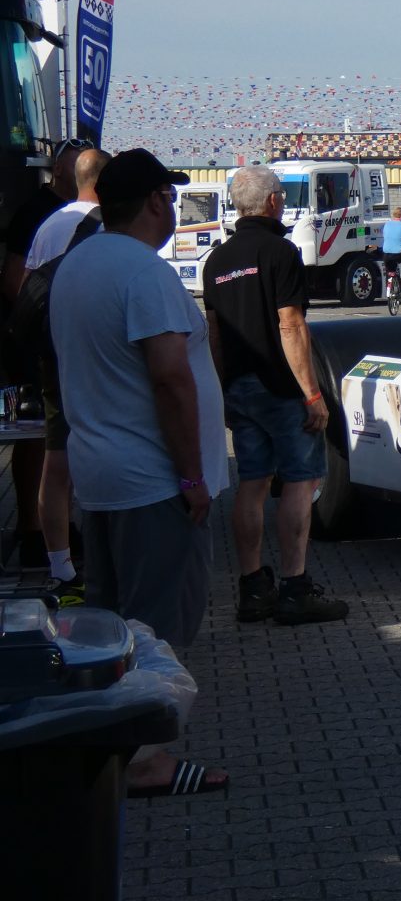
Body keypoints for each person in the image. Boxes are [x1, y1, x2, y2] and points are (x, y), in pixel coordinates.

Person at [51, 148, 229, 796]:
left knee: (112, 626)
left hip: (99, 475)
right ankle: (146, 759)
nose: (174, 207)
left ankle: (103, 748)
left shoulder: (76, 265)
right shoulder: (144, 273)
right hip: (152, 481)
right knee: (158, 627)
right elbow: (170, 380)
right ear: (156, 201)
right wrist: (192, 478)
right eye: (171, 197)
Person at [203, 166, 347, 625]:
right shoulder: (281, 252)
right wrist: (312, 394)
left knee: (252, 482)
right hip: (282, 389)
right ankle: (294, 587)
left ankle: (252, 588)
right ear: (271, 202)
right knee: (300, 481)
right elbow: (291, 324)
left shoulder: (217, 261)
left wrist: (223, 390)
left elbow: (214, 335)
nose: (283, 202)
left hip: (239, 387)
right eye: (281, 196)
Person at [24, 146, 111, 595]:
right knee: (104, 450)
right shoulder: (107, 225)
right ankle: (106, 556)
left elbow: (27, 288)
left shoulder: (49, 225)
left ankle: (61, 567)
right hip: (96, 354)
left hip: (52, 354)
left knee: (56, 460)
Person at [1, 141, 80, 568]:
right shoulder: (36, 212)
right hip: (38, 344)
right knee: (39, 437)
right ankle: (33, 529)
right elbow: (15, 280)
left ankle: (57, 525)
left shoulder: (73, 212)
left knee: (60, 437)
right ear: (59, 171)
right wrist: (42, 333)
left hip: (59, 341)